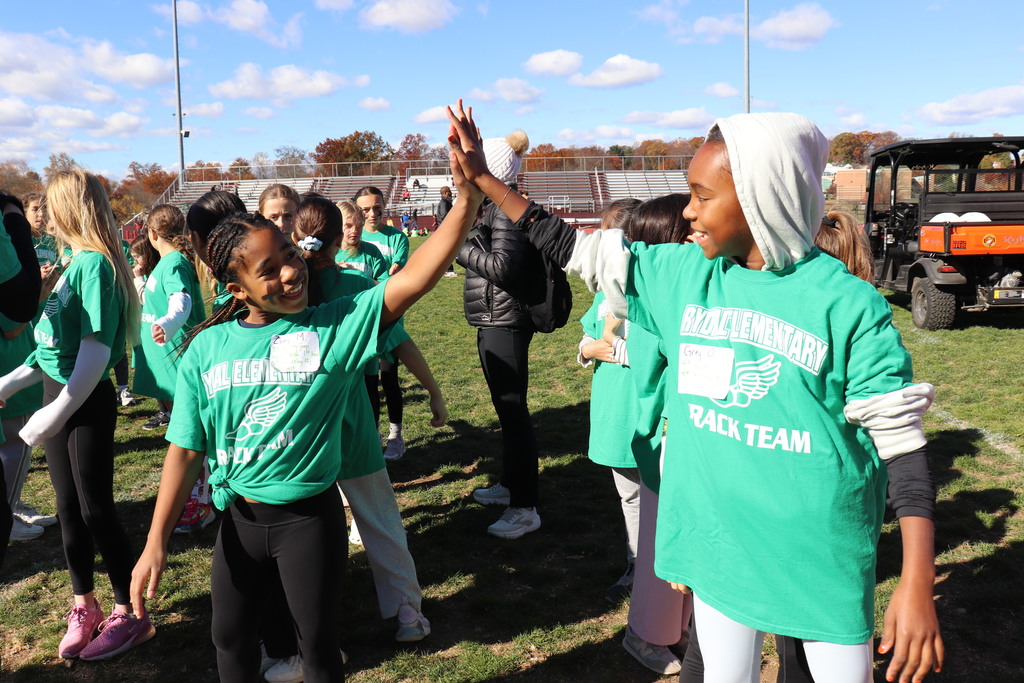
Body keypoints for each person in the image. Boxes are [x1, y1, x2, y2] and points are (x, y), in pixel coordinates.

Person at [447, 104, 943, 683]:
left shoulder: (847, 303)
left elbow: (902, 447)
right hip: (718, 550)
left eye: (703, 196)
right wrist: (485, 181)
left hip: (815, 561)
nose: (688, 210)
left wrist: (916, 581)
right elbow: (576, 248)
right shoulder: (684, 275)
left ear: (760, 197)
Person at [130, 117, 482, 682]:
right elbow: (185, 450)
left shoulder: (332, 328)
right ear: (235, 289)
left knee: (317, 650)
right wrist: (155, 541)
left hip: (308, 524)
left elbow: (416, 276)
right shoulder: (205, 349)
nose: (291, 272)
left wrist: (466, 197)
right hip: (239, 521)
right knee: (229, 640)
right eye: (269, 270)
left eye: (290, 254)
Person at [0, 170, 153, 660]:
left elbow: (95, 350)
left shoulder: (96, 266)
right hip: (58, 395)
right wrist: (9, 383)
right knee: (67, 507)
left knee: (95, 509)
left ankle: (130, 613)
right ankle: (83, 603)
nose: (43, 213)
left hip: (83, 401)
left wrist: (55, 412)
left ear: (70, 207)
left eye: (51, 203)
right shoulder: (72, 262)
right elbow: (50, 347)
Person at [577, 195, 695, 675]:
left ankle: (671, 625)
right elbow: (599, 342)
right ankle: (647, 630)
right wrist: (604, 344)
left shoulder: (675, 291)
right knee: (652, 529)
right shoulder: (637, 295)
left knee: (671, 534)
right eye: (687, 235)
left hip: (673, 436)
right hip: (647, 432)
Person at [455, 128, 545, 539]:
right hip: (494, 319)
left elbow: (503, 268)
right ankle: (510, 486)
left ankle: (525, 507)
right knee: (507, 413)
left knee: (514, 413)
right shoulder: (494, 208)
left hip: (505, 321)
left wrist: (460, 246)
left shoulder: (505, 211)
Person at [354, 186, 410, 460]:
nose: (372, 214)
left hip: (389, 318)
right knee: (366, 382)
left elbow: (394, 283)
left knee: (389, 377)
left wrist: (368, 281)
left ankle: (396, 435)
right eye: (365, 209)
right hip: (358, 323)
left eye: (377, 208)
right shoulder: (351, 236)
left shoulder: (397, 237)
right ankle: (373, 434)